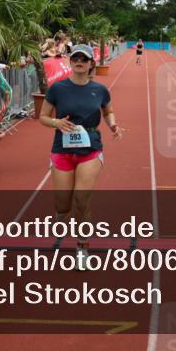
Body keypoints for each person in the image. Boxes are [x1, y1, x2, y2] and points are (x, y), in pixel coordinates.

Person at [38, 44, 124, 270]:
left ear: (91, 63)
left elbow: (108, 111)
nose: (79, 62)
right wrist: (56, 122)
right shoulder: (57, 89)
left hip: (91, 149)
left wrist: (113, 125)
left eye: (84, 59)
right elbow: (43, 116)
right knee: (63, 205)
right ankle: (61, 215)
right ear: (70, 61)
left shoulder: (100, 90)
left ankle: (82, 249)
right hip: (62, 149)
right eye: (75, 58)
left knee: (81, 200)